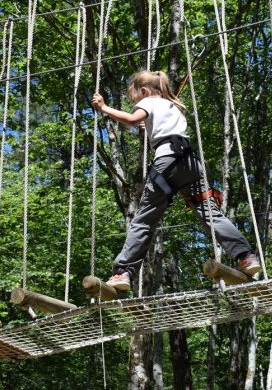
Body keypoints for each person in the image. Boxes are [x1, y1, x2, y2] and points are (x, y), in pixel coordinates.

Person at [92, 70, 261, 291]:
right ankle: (246, 256)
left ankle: (123, 272)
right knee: (210, 212)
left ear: (144, 91)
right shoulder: (174, 107)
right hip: (190, 165)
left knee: (144, 221)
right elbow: (164, 128)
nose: (137, 102)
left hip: (166, 165)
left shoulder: (149, 101)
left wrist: (104, 108)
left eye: (137, 98)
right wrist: (149, 126)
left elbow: (131, 121)